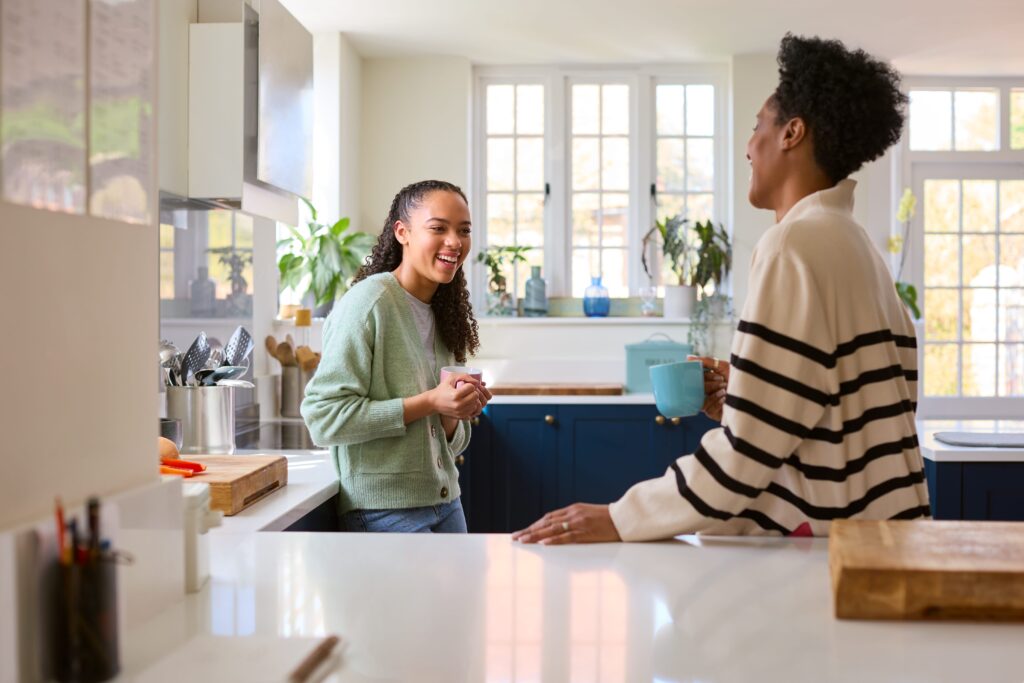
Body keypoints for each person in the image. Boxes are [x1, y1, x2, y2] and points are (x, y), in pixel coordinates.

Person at [514, 33, 929, 544]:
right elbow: (850, 414)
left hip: (821, 556)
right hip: (882, 540)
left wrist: (620, 517)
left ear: (791, 133)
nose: (749, 146)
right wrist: (747, 396)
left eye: (758, 126)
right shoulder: (860, 248)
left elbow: (748, 455)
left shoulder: (792, 245)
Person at [302, 180, 492, 533]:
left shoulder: (442, 311)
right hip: (382, 510)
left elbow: (449, 438)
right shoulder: (367, 304)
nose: (455, 241)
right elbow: (322, 418)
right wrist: (431, 401)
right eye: (438, 228)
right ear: (402, 232)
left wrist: (456, 410)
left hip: (445, 502)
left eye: (463, 231)